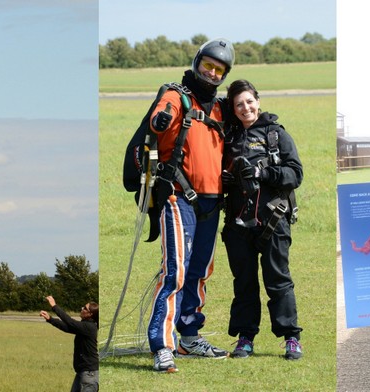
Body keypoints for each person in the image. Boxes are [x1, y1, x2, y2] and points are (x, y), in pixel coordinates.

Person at [146, 38, 233, 372]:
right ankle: (162, 345)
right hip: (178, 197)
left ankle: (189, 337)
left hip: (211, 203)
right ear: (197, 63)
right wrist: (163, 117)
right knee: (177, 272)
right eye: (208, 65)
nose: (211, 73)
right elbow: (160, 119)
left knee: (200, 273)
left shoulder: (220, 108)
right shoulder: (175, 95)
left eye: (218, 70)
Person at [220, 79, 304, 360]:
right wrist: (227, 180)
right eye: (239, 104)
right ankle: (245, 338)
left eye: (249, 101)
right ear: (233, 108)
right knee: (243, 283)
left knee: (278, 281)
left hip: (273, 222)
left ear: (258, 101)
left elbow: (295, 174)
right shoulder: (228, 138)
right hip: (237, 226)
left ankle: (291, 337)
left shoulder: (275, 135)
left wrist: (262, 173)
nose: (245, 108)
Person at [39, 295, 98, 392]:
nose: (82, 308)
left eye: (85, 308)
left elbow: (69, 321)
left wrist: (54, 306)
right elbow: (67, 327)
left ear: (90, 314)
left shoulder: (89, 327)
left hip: (89, 374)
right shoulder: (84, 327)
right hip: (82, 372)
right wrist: (50, 319)